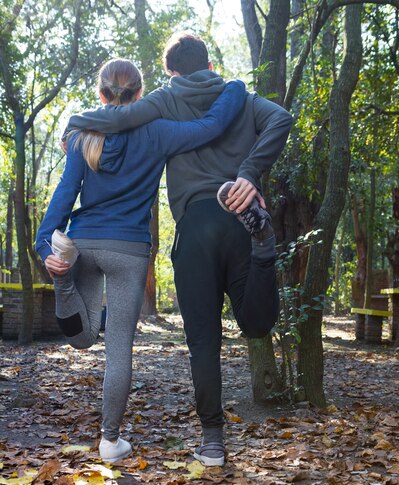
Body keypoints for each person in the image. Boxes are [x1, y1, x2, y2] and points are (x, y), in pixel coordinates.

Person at [65, 34, 293, 467]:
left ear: (172, 71)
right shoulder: (238, 95)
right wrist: (248, 174)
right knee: (256, 323)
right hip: (241, 218)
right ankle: (266, 249)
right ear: (208, 62)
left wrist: (75, 122)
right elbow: (282, 117)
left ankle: (212, 443)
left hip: (194, 227)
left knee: (202, 340)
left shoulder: (165, 99)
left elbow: (115, 119)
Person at [36, 57, 247, 463]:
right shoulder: (158, 131)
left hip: (82, 242)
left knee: (80, 340)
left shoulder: (82, 136)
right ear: (140, 94)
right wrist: (234, 87)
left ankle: (62, 279)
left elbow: (63, 196)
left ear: (101, 93)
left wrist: (46, 248)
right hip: (128, 250)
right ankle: (110, 441)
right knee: (118, 351)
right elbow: (212, 127)